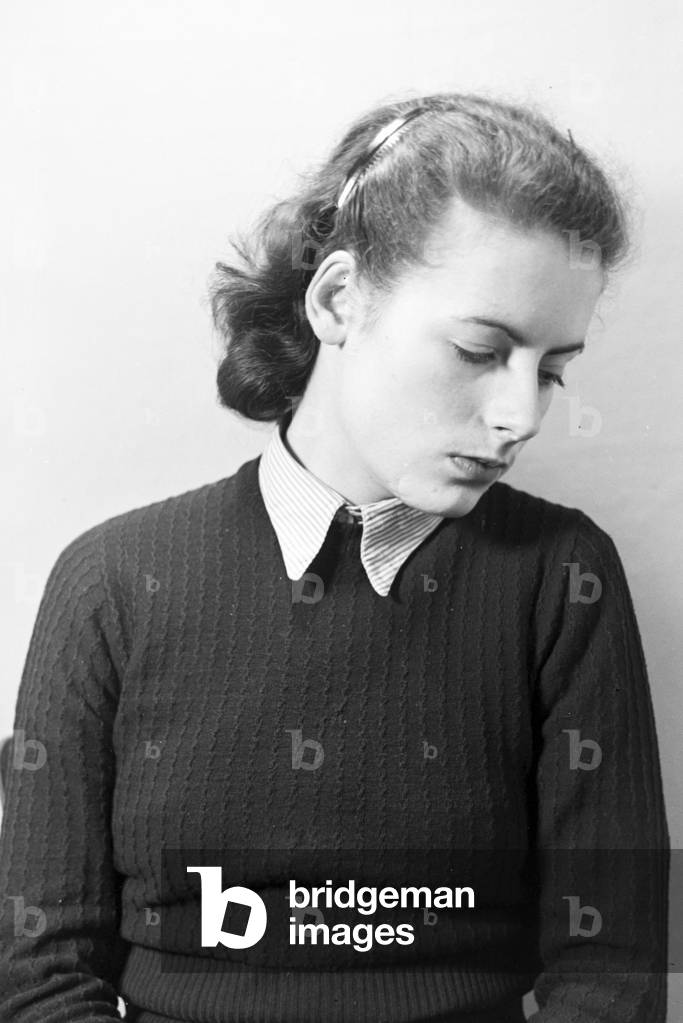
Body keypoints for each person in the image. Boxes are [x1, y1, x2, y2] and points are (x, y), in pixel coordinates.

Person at [0, 91, 669, 1023]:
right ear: (338, 300)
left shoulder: (561, 577)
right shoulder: (111, 582)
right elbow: (39, 975)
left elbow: (611, 965)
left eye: (551, 368)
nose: (521, 415)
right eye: (481, 348)